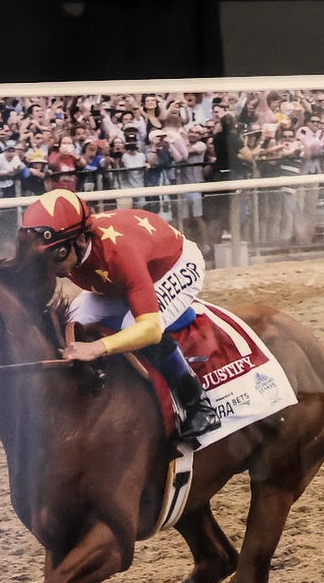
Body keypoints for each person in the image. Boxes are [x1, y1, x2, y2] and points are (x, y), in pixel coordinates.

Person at [22, 188, 221, 443]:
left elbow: (149, 329)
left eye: (58, 255)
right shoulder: (64, 246)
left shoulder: (118, 253)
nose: (51, 266)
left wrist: (98, 347)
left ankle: (197, 404)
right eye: (43, 257)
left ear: (81, 240)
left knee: (133, 326)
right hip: (118, 280)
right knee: (72, 320)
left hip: (174, 265)